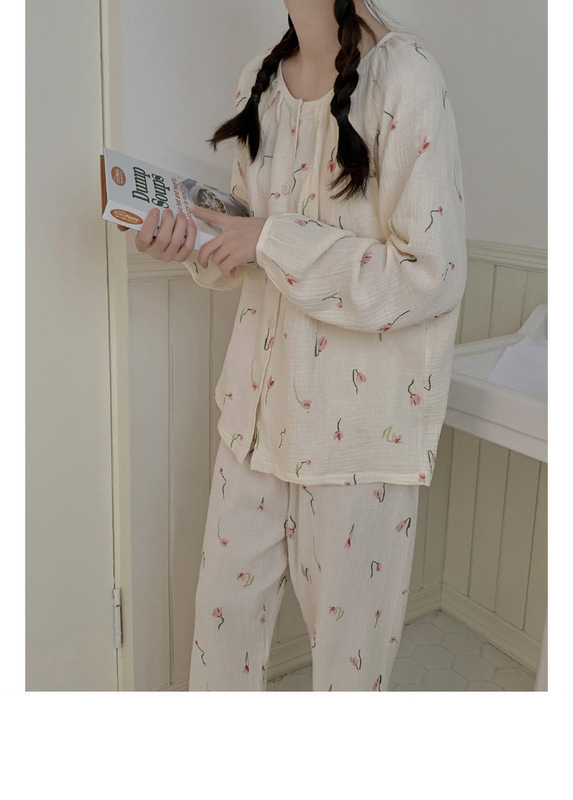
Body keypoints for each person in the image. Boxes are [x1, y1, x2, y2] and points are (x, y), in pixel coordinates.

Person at [118, 0, 467, 691]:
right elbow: (250, 254)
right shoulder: (260, 81)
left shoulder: (406, 75)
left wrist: (271, 238)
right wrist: (193, 243)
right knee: (220, 642)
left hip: (358, 438)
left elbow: (430, 276)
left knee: (347, 672)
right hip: (252, 420)